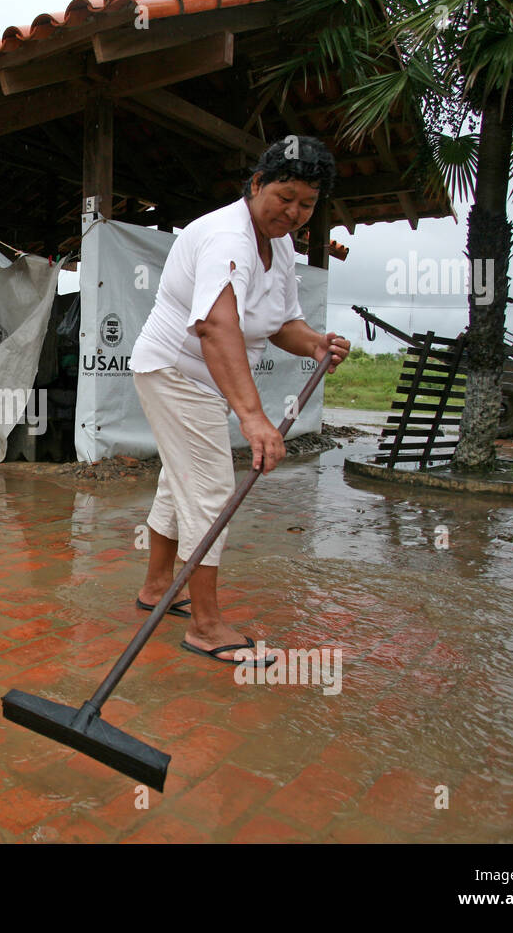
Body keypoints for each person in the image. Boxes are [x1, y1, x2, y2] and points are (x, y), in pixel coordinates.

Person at [129, 136, 350, 666]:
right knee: (210, 490)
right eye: (285, 196)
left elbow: (280, 325)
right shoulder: (228, 236)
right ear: (256, 185)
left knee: (178, 482)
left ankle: (160, 586)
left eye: (307, 204)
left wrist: (315, 343)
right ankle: (205, 626)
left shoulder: (283, 246)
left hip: (205, 380)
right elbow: (215, 323)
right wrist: (255, 419)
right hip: (174, 371)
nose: (293, 212)